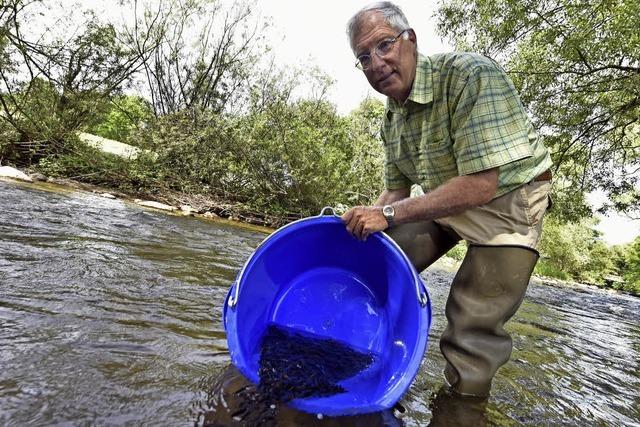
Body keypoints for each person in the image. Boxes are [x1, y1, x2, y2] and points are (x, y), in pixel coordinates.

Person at [342, 2, 553, 398]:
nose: (376, 63)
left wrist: (387, 213)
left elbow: (479, 187)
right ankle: (361, 362)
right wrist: (363, 222)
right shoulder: (391, 117)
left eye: (384, 45)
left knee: (469, 328)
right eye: (364, 57)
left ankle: (461, 408)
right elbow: (394, 194)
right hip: (446, 202)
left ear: (411, 40)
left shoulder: (471, 76)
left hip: (508, 205)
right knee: (373, 263)